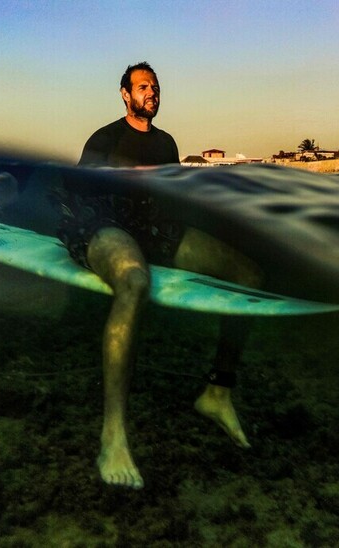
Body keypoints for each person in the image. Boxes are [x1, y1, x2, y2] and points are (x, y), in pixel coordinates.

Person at [56, 62, 262, 489]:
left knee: (248, 274)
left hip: (153, 230)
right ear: (125, 94)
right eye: (143, 86)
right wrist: (128, 178)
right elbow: (78, 186)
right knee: (134, 282)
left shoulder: (166, 142)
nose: (151, 92)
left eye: (155, 86)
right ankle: (113, 434)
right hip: (104, 226)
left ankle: (217, 392)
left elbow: (170, 199)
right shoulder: (105, 138)